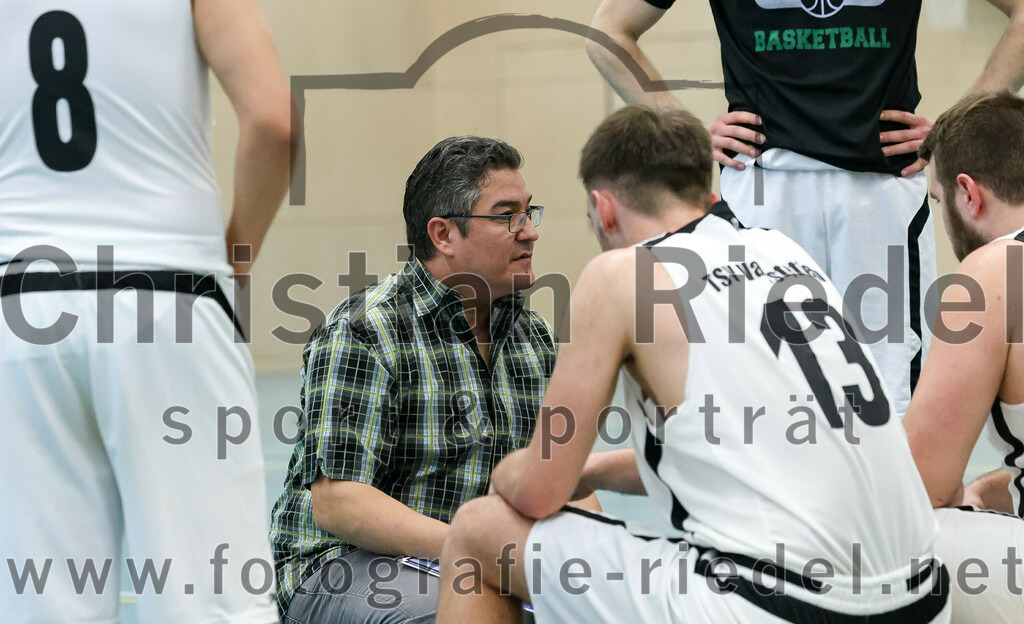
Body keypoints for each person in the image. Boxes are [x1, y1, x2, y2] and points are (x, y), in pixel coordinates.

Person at [436, 106, 950, 624]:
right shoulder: (784, 250)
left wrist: (507, 471)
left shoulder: (621, 273)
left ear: (603, 207)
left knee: (479, 532)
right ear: (708, 196)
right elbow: (747, 445)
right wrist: (594, 472)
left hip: (781, 606)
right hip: (926, 598)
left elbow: (538, 492)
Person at [586, 0, 1024, 417]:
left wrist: (954, 125)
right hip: (763, 186)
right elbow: (607, 30)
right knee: (761, 393)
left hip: (879, 191)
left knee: (888, 397)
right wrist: (682, 128)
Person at [0, 0, 292, 622]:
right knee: (211, 600)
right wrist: (234, 259)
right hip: (168, 296)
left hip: (18, 307)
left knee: (42, 602)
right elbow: (273, 123)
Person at [270, 136, 577, 623]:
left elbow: (566, 485)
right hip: (344, 566)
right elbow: (339, 503)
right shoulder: (366, 330)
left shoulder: (532, 337)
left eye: (529, 212)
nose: (529, 232)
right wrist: (479, 552)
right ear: (443, 234)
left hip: (474, 564)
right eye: (505, 215)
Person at [903, 91, 1024, 624]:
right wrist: (984, 489)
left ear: (967, 194)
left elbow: (915, 487)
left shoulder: (993, 272)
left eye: (936, 201)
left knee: (883, 544)